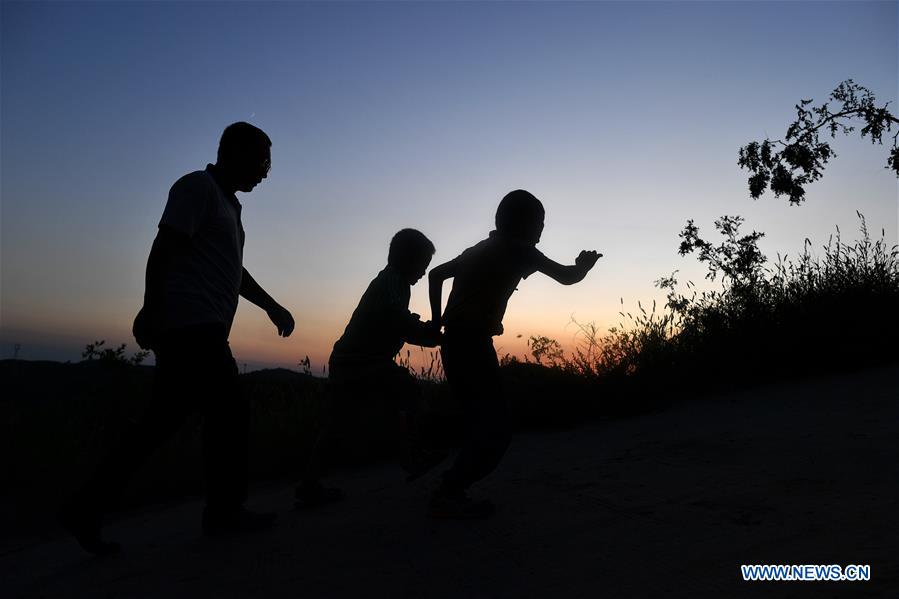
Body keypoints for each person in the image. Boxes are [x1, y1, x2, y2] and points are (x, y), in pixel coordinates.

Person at [61, 122, 295, 555]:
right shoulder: (197, 188)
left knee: (160, 424)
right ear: (234, 153)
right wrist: (152, 308)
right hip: (191, 326)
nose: (265, 171)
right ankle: (224, 513)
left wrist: (271, 306)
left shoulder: (229, 207)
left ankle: (84, 507)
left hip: (197, 327)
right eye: (262, 160)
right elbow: (164, 246)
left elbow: (233, 271)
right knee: (229, 412)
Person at [428, 189, 601, 518]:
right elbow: (567, 277)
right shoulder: (519, 249)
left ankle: (448, 482)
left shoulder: (480, 248)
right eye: (540, 224)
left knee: (480, 418)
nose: (541, 232)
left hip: (455, 342)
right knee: (497, 426)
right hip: (472, 344)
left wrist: (438, 322)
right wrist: (585, 266)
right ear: (525, 224)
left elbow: (436, 275)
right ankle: (449, 491)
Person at [295, 229, 444, 508]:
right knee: (406, 390)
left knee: (338, 425)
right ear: (405, 259)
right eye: (421, 265)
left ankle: (309, 484)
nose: (423, 273)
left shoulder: (398, 284)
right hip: (360, 362)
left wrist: (425, 332)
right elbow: (398, 321)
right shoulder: (390, 281)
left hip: (353, 361)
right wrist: (430, 335)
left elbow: (400, 321)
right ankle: (412, 455)